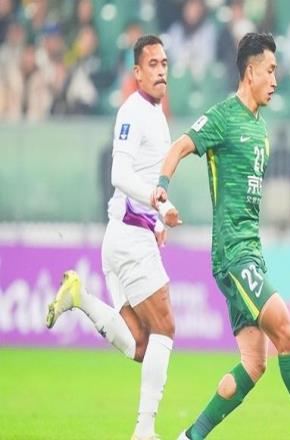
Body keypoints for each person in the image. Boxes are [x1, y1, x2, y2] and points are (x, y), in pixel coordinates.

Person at [151, 32, 290, 440]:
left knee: (254, 364)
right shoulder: (224, 117)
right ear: (250, 72)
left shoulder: (261, 130)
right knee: (286, 331)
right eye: (270, 71)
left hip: (251, 252)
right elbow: (178, 147)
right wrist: (162, 187)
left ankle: (190, 436)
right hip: (232, 253)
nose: (275, 80)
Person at [45, 35, 181, 440]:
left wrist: (159, 217)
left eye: (164, 63)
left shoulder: (156, 113)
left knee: (140, 344)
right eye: (152, 64)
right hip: (130, 239)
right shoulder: (133, 112)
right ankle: (145, 430)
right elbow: (119, 175)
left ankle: (80, 298)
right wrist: (156, 202)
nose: (161, 70)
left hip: (126, 236)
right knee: (165, 329)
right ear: (136, 72)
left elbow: (144, 178)